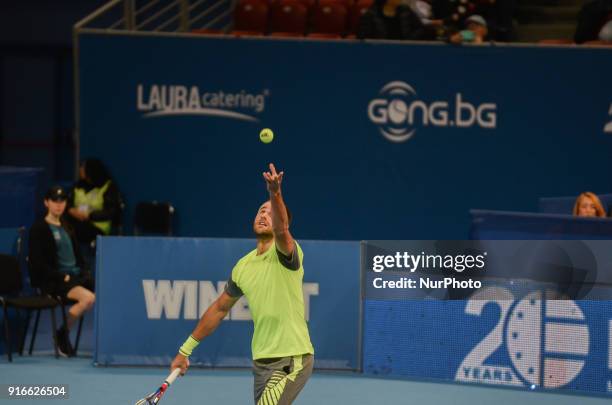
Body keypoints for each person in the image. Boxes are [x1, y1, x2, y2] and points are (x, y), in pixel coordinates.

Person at [171, 163, 314, 405]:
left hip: (292, 357)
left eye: (270, 212)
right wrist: (185, 350)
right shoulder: (242, 266)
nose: (263, 214)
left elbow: (282, 230)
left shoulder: (287, 253)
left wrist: (275, 193)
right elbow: (219, 308)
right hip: (261, 361)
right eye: (261, 210)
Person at [28, 186, 96, 357]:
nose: (59, 205)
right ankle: (62, 333)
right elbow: (38, 264)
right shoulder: (39, 229)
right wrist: (61, 276)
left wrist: (85, 272)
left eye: (62, 201)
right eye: (54, 201)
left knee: (107, 291)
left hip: (74, 277)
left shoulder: (67, 226)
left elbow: (78, 256)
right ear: (46, 203)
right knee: (88, 298)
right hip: (54, 281)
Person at [66, 159, 121, 246]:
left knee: (77, 231)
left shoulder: (108, 187)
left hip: (98, 227)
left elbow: (111, 212)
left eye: (83, 167)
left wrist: (89, 216)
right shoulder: (78, 186)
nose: (80, 169)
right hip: (77, 221)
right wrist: (71, 210)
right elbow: (67, 202)